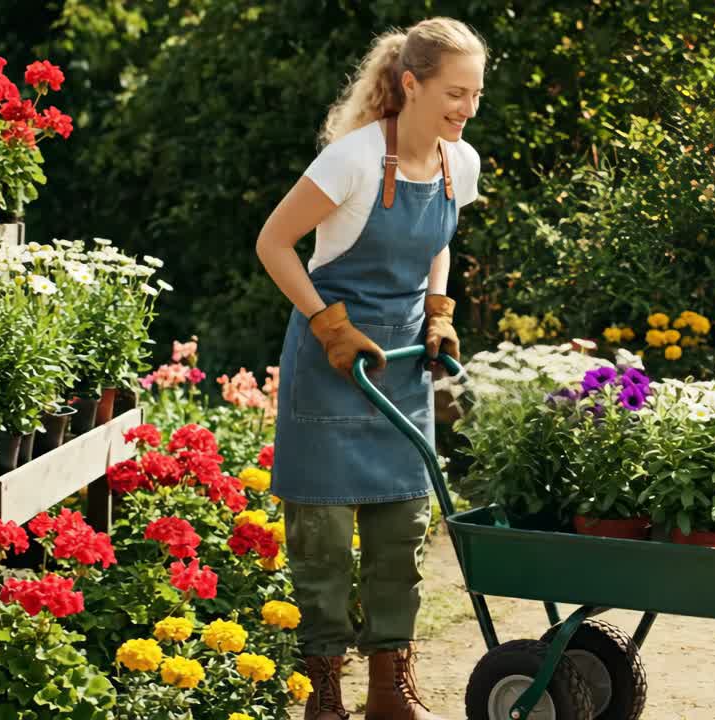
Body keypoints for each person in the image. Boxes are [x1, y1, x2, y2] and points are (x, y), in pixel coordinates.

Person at [255, 17, 484, 720]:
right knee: (321, 539)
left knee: (400, 533)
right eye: (453, 92)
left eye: (475, 94)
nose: (465, 109)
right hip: (331, 366)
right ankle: (325, 691)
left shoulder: (459, 160)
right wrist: (329, 324)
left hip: (402, 367)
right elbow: (273, 243)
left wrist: (439, 310)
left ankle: (391, 689)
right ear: (410, 84)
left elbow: (439, 239)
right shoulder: (351, 161)